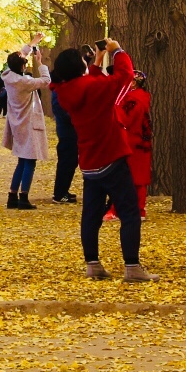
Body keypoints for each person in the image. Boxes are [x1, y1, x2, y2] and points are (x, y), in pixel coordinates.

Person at [50, 42, 154, 282]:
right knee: (129, 212)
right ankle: (132, 266)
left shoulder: (65, 92)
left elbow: (90, 86)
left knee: (91, 214)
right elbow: (125, 76)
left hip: (89, 161)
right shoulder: (92, 87)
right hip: (111, 156)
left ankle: (93, 263)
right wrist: (117, 51)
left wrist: (98, 60)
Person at [0, 48, 51, 210]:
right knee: (30, 160)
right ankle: (23, 196)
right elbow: (46, 80)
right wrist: (40, 63)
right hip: (28, 123)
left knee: (22, 160)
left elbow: (16, 59)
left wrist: (32, 43)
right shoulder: (26, 82)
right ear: (22, 67)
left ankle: (12, 195)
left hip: (17, 124)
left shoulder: (8, 77)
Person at [115, 69, 154, 218]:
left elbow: (126, 119)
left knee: (128, 176)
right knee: (140, 177)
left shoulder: (132, 100)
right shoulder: (143, 98)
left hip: (130, 140)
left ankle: (127, 209)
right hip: (142, 142)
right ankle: (139, 208)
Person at [50, 96, 79, 204]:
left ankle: (63, 191)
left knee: (71, 163)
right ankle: (60, 193)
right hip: (66, 133)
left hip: (69, 132)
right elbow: (62, 113)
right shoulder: (58, 93)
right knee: (66, 163)